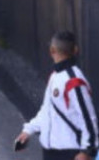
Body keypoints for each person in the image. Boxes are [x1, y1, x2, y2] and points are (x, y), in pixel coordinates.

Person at [15, 31, 98, 160]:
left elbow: (88, 118)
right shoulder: (55, 76)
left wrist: (87, 151)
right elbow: (47, 110)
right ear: (76, 50)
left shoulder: (74, 81)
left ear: (52, 50)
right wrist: (28, 130)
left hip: (71, 153)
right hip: (51, 152)